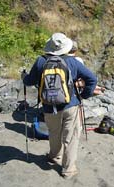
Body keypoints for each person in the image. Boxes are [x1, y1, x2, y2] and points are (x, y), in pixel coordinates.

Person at [22, 33, 97, 179]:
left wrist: (23, 76)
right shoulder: (72, 62)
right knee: (71, 137)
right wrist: (84, 95)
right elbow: (92, 79)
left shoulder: (40, 61)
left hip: (49, 108)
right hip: (71, 105)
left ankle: (55, 157)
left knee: (54, 133)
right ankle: (68, 170)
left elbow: (29, 81)